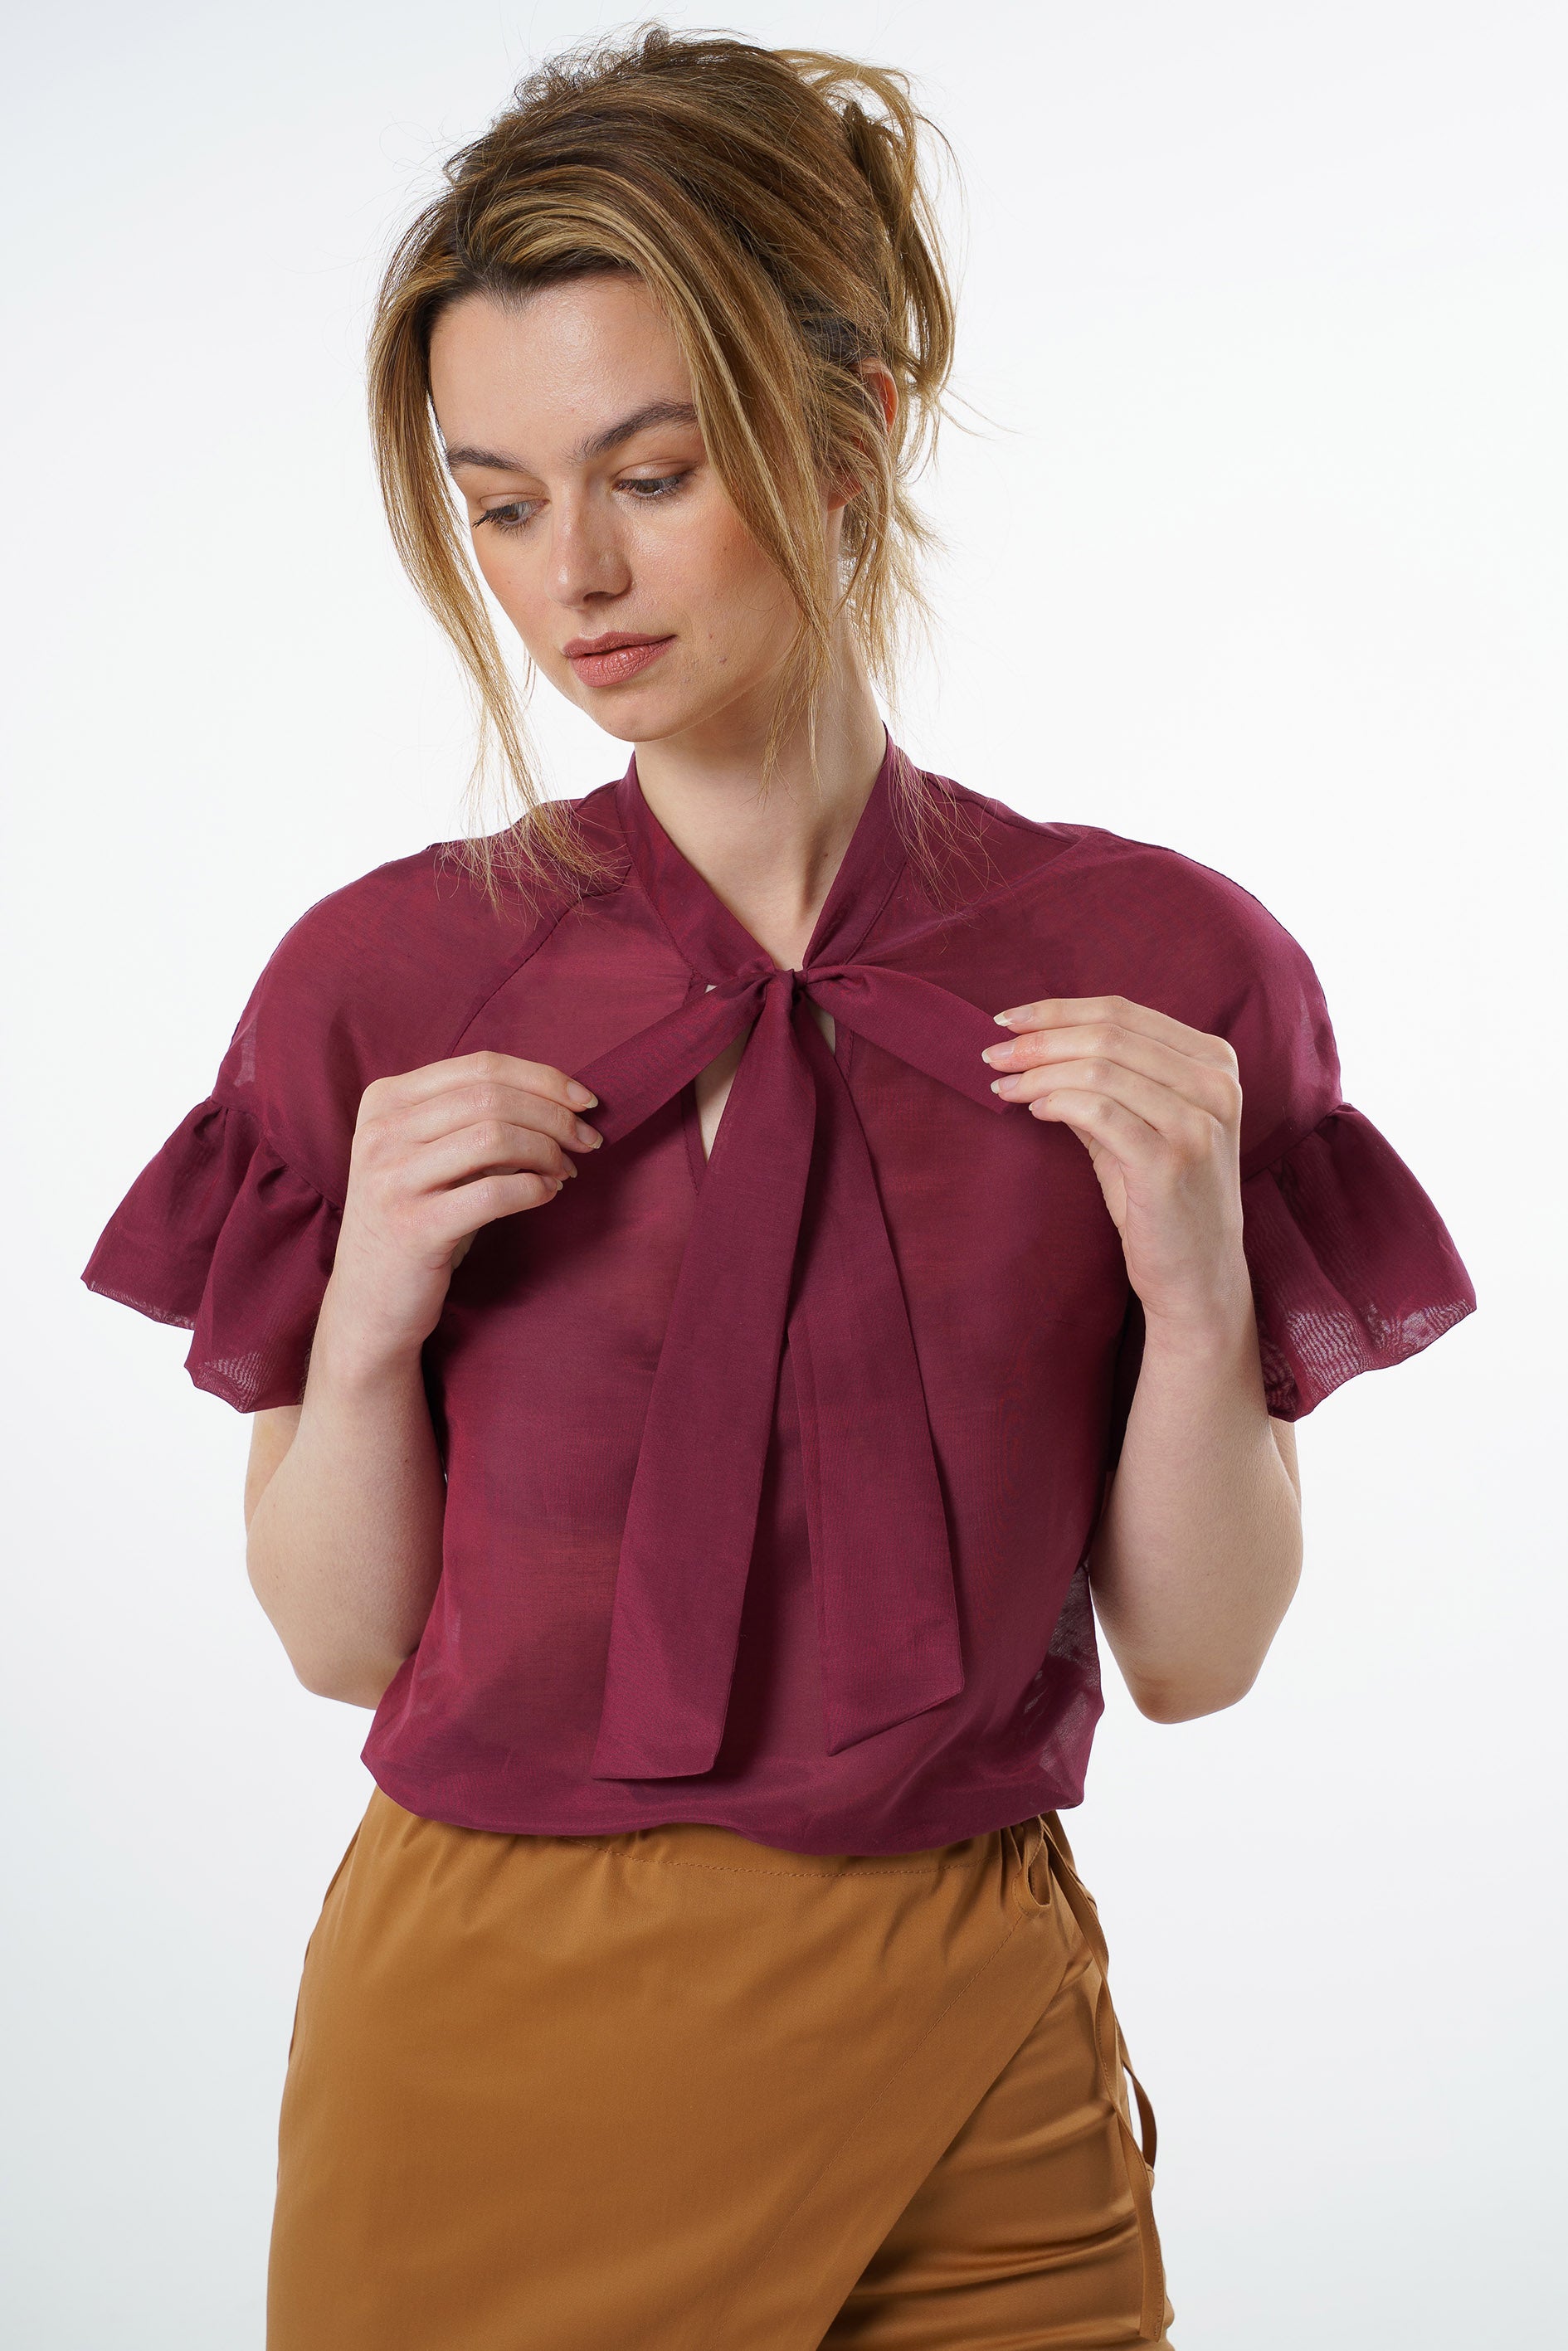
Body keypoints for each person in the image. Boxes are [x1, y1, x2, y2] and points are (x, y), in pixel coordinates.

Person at [80, 26, 1478, 2351]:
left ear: (847, 435)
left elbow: (1203, 1657)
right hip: (500, 2029)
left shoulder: (1162, 971)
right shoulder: (386, 979)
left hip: (974, 2035)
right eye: (502, 500)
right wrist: (371, 1308)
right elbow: (337, 1636)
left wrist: (1198, 1279)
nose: (573, 577)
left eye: (651, 469)